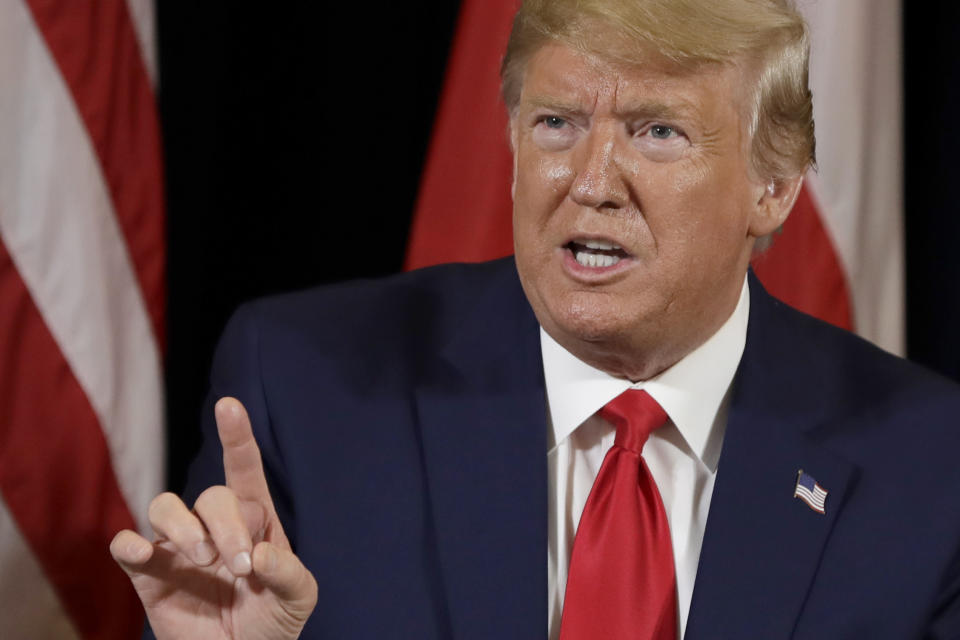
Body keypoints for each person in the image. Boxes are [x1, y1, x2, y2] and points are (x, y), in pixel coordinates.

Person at [111, 0, 960, 638]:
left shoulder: (928, 466)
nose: (591, 181)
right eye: (556, 124)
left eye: (657, 132)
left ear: (772, 188)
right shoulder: (309, 388)